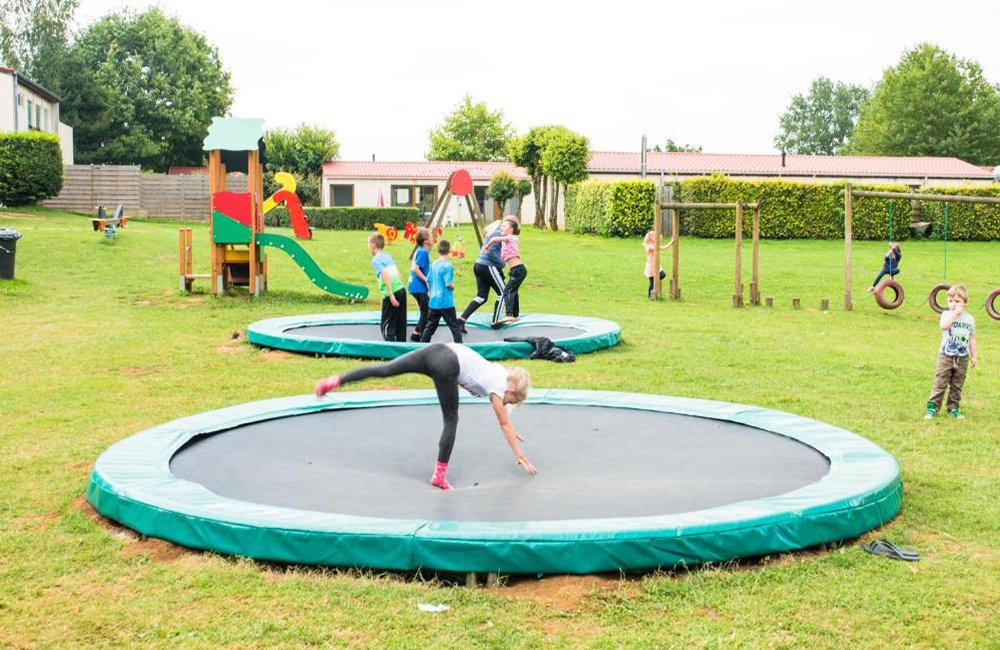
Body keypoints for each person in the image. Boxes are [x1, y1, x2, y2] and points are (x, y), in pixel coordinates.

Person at [314, 343, 536, 489]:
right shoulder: (499, 387)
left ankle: (335, 381)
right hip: (447, 363)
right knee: (451, 420)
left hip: (437, 350)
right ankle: (439, 475)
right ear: (510, 390)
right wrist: (520, 455)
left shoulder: (497, 372)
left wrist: (512, 430)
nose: (505, 404)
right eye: (511, 401)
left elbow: (506, 420)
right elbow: (503, 423)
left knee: (385, 369)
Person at [925, 284, 977, 419]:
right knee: (940, 382)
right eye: (950, 301)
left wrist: (974, 356)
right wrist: (954, 313)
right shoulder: (946, 314)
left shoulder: (970, 319)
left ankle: (953, 408)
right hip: (946, 356)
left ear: (965, 303)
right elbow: (944, 326)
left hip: (962, 357)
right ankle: (932, 408)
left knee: (957, 384)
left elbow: (972, 339)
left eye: (957, 301)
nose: (953, 304)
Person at [458, 219, 505, 332]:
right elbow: (491, 251)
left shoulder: (491, 233)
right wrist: (501, 264)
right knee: (504, 293)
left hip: (479, 265)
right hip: (488, 266)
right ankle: (496, 322)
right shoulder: (499, 233)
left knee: (481, 296)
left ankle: (461, 319)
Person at [420, 239, 463, 343]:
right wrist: (453, 287)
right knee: (454, 326)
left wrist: (430, 292)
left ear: (437, 251)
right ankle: (460, 347)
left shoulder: (433, 264)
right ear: (449, 251)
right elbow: (448, 284)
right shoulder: (448, 266)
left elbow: (428, 280)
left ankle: (421, 345)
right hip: (445, 302)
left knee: (430, 327)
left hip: (433, 302)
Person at [369, 233, 406, 342]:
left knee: (386, 324)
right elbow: (397, 273)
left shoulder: (375, 260)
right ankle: (401, 346)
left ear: (373, 245)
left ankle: (390, 347)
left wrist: (390, 295)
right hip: (401, 289)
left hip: (393, 292)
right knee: (400, 322)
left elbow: (384, 274)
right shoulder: (387, 256)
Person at [491, 218, 526, 327]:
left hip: (517, 270)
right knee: (513, 291)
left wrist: (488, 244)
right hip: (516, 270)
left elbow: (495, 239)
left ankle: (509, 314)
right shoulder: (508, 239)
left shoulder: (510, 237)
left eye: (504, 226)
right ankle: (515, 315)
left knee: (508, 291)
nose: (502, 227)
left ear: (510, 229)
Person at [408, 227, 433, 342]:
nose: (433, 238)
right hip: (418, 287)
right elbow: (415, 268)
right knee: (427, 311)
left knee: (425, 310)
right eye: (431, 236)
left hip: (416, 286)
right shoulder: (423, 252)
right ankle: (423, 338)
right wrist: (426, 280)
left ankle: (416, 334)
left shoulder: (421, 251)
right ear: (425, 240)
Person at [643, 230, 675, 298]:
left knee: (654, 280)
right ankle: (651, 295)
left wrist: (671, 242)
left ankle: (651, 294)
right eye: (655, 236)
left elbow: (661, 246)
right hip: (652, 266)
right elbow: (660, 247)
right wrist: (671, 242)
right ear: (651, 238)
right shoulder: (649, 246)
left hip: (655, 265)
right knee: (658, 277)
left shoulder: (653, 245)